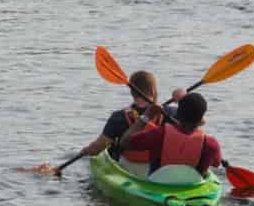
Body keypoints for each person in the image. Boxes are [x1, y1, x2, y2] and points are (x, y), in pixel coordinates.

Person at [56, 69, 187, 174]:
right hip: (159, 171)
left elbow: (99, 147)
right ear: (153, 91)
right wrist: (184, 99)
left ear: (132, 93)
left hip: (127, 169)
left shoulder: (119, 117)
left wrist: (86, 151)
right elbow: (198, 122)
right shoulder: (170, 113)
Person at [119, 91, 222, 176]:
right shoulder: (211, 143)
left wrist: (147, 116)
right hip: (193, 188)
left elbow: (124, 142)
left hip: (158, 185)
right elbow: (216, 163)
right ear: (201, 119)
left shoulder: (159, 134)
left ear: (178, 114)